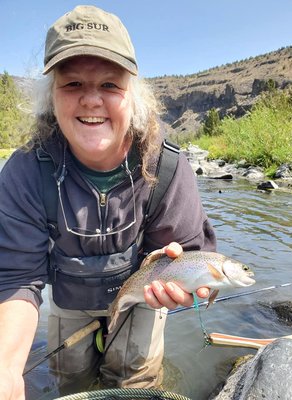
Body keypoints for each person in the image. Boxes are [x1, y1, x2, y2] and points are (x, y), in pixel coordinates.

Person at [0, 5, 216, 400]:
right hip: (69, 303)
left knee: (137, 384)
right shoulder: (25, 171)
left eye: (110, 85)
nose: (91, 100)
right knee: (71, 383)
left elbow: (198, 262)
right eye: (73, 84)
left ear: (132, 92)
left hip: (143, 301)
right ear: (51, 97)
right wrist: (7, 369)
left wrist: (192, 286)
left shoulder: (166, 167)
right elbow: (16, 279)